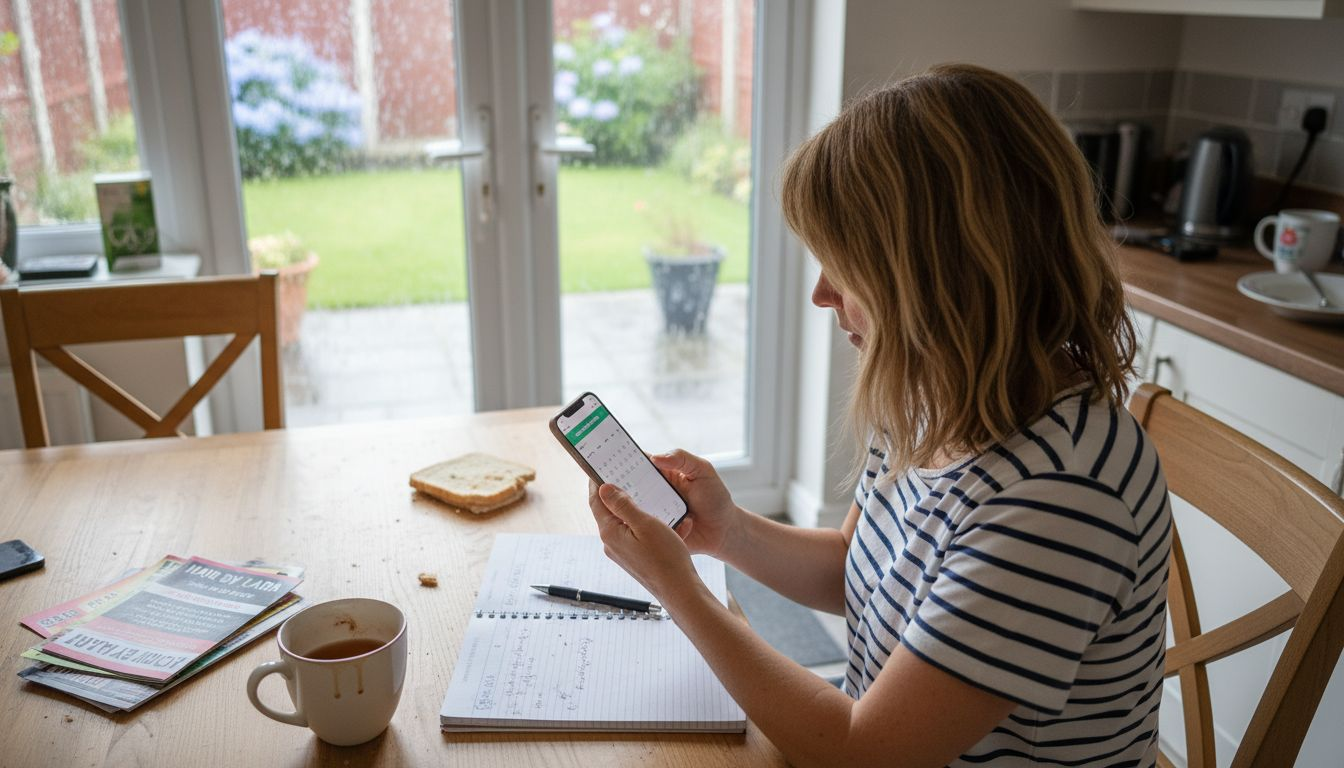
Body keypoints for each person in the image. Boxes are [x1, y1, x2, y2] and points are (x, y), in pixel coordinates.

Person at [589, 63, 1172, 767]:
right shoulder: (936, 397)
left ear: (937, 278)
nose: (822, 293)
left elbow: (864, 754)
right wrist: (729, 532)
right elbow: (857, 571)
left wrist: (678, 592)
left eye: (846, 265)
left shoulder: (1062, 495)